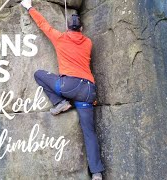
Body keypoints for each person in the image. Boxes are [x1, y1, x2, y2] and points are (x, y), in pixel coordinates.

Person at [20, 0, 105, 179]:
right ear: (81, 29)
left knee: (39, 75)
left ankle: (60, 103)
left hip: (69, 86)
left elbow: (43, 24)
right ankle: (97, 174)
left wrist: (29, 6)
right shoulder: (88, 43)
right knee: (89, 133)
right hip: (88, 91)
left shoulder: (60, 38)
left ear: (68, 28)